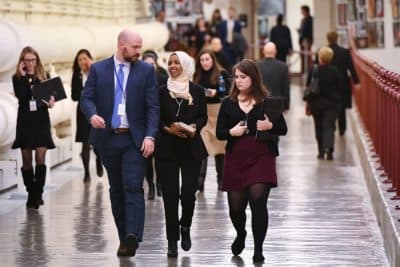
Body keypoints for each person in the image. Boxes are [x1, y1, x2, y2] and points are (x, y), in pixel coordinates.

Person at [80, 29, 159, 257]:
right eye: (135, 47)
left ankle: (133, 234)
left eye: (140, 46)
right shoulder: (99, 69)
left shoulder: (145, 70)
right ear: (122, 45)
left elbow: (153, 107)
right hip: (108, 137)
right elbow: (87, 98)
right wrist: (92, 114)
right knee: (116, 189)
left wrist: (150, 135)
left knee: (132, 186)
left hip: (134, 139)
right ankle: (124, 235)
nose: (139, 51)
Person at [216, 59, 287, 263]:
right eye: (236, 77)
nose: (238, 81)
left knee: (258, 202)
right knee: (236, 209)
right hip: (236, 158)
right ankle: (240, 233)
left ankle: (258, 249)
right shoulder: (228, 103)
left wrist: (269, 126)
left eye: (243, 77)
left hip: (261, 156)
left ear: (253, 78)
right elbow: (220, 133)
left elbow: (282, 128)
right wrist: (232, 131)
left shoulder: (266, 101)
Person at [155, 51, 208, 257]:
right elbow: (154, 116)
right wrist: (167, 129)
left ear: (186, 65)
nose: (173, 66)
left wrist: (195, 126)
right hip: (167, 148)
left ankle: (185, 225)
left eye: (177, 62)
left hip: (191, 147)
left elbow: (203, 116)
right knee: (169, 197)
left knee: (187, 194)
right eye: (170, 62)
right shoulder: (160, 91)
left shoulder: (197, 91)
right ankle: (172, 241)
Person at [12, 46, 56, 209]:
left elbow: (51, 99)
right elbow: (22, 96)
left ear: (37, 60)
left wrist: (51, 103)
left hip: (41, 120)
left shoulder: (45, 77)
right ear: (22, 62)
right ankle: (32, 192)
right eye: (27, 60)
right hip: (25, 121)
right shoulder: (17, 78)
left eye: (33, 59)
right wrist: (23, 77)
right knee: (27, 161)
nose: (30, 63)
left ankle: (37, 193)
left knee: (40, 157)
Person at [193, 49, 230, 191]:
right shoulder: (197, 75)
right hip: (204, 114)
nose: (205, 63)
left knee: (220, 148)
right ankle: (199, 182)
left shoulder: (222, 73)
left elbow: (227, 91)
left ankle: (221, 179)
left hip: (219, 113)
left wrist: (216, 92)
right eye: (202, 60)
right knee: (203, 147)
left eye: (207, 59)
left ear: (212, 60)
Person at [71, 49, 103, 183]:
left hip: (96, 111)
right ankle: (86, 173)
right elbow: (74, 96)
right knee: (85, 143)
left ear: (90, 59)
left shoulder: (97, 72)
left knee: (96, 143)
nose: (82, 62)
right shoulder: (77, 76)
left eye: (85, 58)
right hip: (82, 112)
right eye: (79, 60)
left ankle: (99, 160)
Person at [304, 47, 341, 160]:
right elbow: (340, 88)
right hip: (332, 104)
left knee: (319, 126)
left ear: (320, 57)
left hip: (316, 104)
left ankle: (320, 151)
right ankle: (329, 151)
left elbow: (308, 86)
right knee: (329, 126)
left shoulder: (314, 69)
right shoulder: (335, 71)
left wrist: (308, 103)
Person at [142, 50, 167, 199]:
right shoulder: (137, 79)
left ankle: (159, 184)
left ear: (156, 65)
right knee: (146, 156)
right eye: (147, 65)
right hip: (143, 122)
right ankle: (150, 185)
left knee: (159, 157)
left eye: (152, 64)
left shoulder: (163, 79)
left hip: (160, 122)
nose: (150, 67)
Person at [326, 31, 360, 136]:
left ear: (327, 39)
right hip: (343, 83)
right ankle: (342, 129)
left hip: (329, 84)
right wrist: (357, 82)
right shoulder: (344, 52)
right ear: (337, 39)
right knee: (341, 107)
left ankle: (332, 127)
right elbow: (351, 68)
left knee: (330, 106)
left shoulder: (324, 52)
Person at [257, 42, 290, 112]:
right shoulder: (283, 66)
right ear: (275, 52)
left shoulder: (257, 66)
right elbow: (286, 87)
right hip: (277, 104)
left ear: (263, 51)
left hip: (261, 103)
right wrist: (286, 105)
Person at [298, 5, 313, 74]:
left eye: (302, 10)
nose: (301, 12)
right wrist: (299, 31)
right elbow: (302, 30)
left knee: (308, 56)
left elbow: (310, 30)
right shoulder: (303, 20)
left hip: (307, 39)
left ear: (306, 11)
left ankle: (309, 71)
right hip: (302, 39)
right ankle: (303, 71)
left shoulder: (310, 19)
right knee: (302, 56)